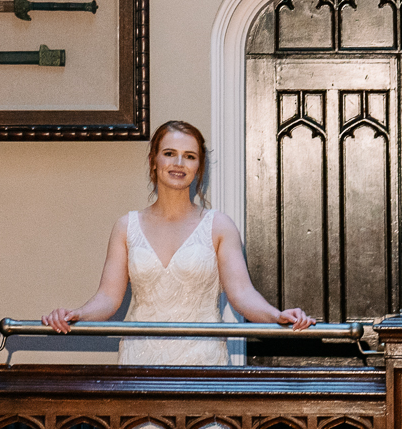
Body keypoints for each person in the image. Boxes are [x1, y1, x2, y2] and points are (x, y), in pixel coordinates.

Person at [43, 120, 313, 364]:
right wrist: (77, 314)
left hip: (202, 360)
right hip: (140, 359)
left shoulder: (219, 226)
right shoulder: (126, 227)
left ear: (199, 167)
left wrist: (276, 316)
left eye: (190, 156)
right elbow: (108, 298)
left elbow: (242, 294)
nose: (179, 163)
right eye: (170, 153)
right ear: (154, 160)